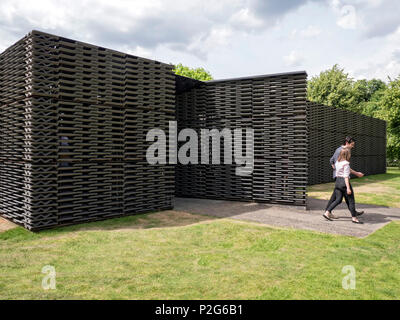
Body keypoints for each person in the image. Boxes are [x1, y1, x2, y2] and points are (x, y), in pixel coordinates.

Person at [324, 136, 364, 219]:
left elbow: (333, 161)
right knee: (346, 197)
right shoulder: (340, 151)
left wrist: (337, 168)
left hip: (339, 177)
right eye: (352, 145)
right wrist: (338, 171)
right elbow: (333, 161)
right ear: (347, 143)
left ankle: (328, 212)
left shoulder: (343, 151)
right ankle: (328, 212)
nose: (353, 146)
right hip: (341, 178)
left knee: (337, 198)